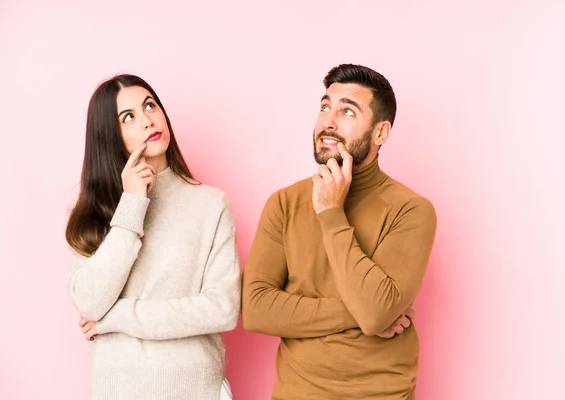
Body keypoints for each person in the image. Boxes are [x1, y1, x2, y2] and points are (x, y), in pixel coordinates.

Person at [242, 64, 437, 399]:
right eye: (324, 107)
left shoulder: (412, 210)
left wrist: (331, 213)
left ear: (380, 133)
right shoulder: (284, 203)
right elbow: (255, 308)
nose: (328, 121)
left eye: (347, 111)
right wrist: (363, 313)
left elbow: (376, 312)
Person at [66, 74, 240, 400]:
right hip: (118, 391)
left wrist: (118, 316)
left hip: (196, 390)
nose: (148, 120)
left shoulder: (210, 204)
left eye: (150, 105)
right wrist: (132, 204)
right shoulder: (90, 209)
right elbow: (90, 301)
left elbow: (223, 308)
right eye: (128, 117)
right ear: (109, 135)